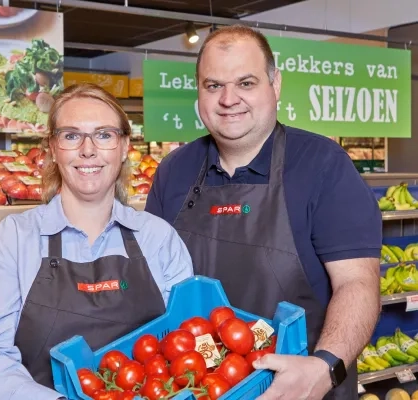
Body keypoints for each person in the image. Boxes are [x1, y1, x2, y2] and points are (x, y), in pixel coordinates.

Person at [145, 25, 381, 400]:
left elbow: (358, 283)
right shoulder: (174, 171)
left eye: (246, 83)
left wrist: (325, 366)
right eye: (213, 85)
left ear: (275, 85)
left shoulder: (322, 165)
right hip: (198, 384)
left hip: (301, 387)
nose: (228, 99)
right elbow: (155, 286)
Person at [0, 83, 194, 400]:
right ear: (53, 149)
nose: (88, 149)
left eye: (104, 135)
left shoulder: (159, 238)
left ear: (124, 147)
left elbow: (185, 345)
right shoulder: (12, 241)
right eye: (71, 135)